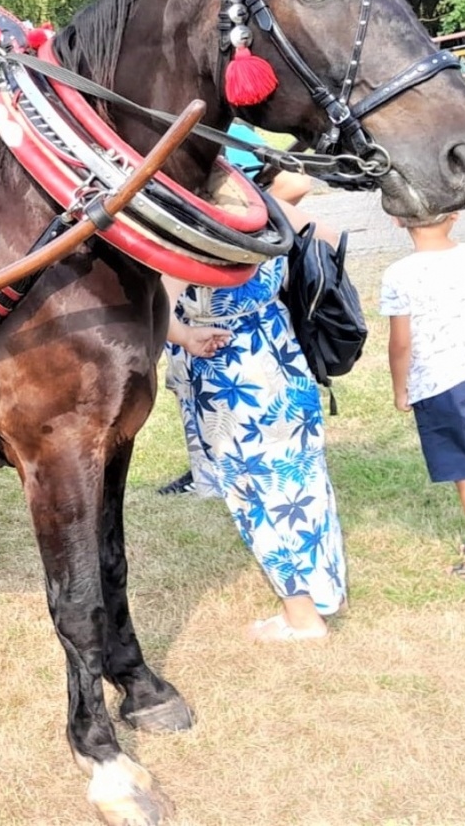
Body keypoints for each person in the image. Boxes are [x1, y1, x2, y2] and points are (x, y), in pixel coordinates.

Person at [158, 150, 348, 642]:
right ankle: (325, 593)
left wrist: (186, 336)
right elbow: (329, 240)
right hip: (283, 357)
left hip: (231, 381)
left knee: (257, 495)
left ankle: (302, 616)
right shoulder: (268, 215)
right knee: (305, 484)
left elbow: (159, 307)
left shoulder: (195, 236)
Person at [380, 212, 465, 585]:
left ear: (397, 220)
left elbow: (401, 343)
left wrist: (400, 387)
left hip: (440, 384)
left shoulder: (398, 274)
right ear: (455, 214)